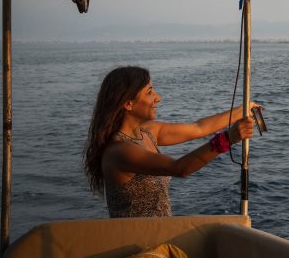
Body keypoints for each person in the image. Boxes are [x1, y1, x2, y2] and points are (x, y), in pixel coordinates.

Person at [83, 65, 258, 218]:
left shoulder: (148, 132)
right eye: (150, 92)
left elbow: (199, 128)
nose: (158, 97)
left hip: (160, 235)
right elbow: (179, 168)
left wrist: (245, 109)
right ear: (128, 104)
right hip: (136, 243)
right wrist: (228, 138)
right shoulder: (119, 151)